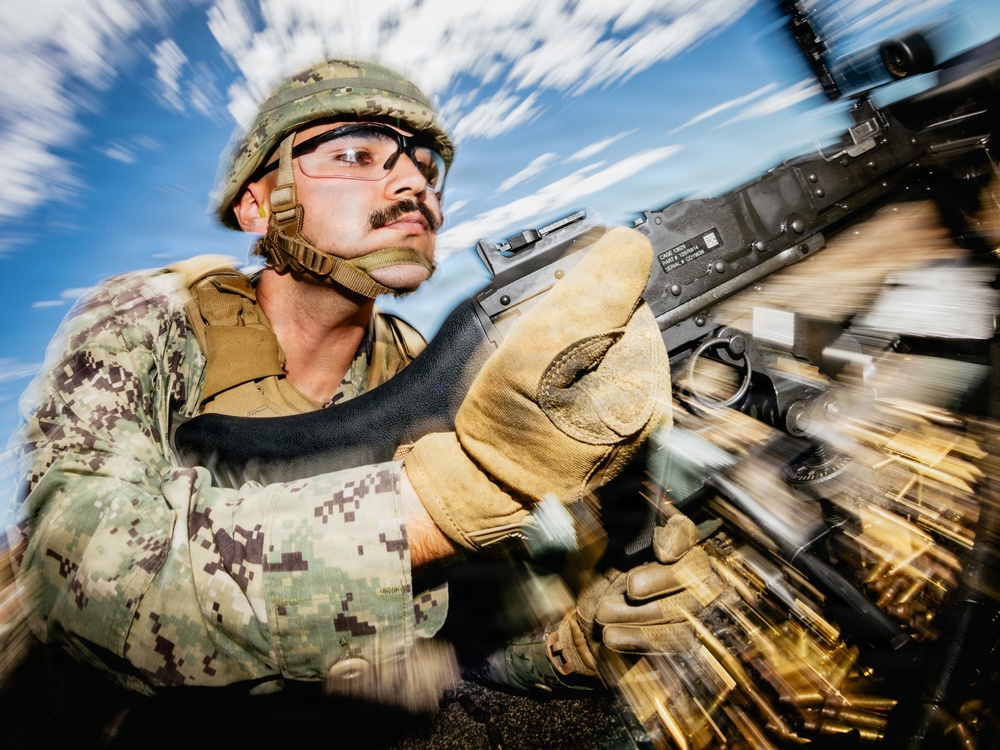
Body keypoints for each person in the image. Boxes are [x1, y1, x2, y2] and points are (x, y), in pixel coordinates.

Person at [7, 58, 719, 732]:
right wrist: (441, 504)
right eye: (356, 155)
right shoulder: (151, 320)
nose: (415, 186)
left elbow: (440, 637)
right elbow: (85, 588)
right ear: (260, 204)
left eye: (426, 167)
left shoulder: (414, 361)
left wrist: (572, 645)